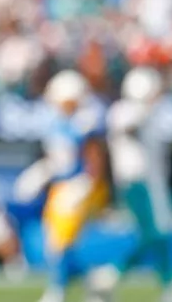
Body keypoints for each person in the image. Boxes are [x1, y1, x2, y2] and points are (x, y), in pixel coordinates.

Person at [91, 68, 172, 302]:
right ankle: (111, 274)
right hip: (137, 183)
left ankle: (168, 289)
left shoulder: (154, 113)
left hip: (154, 183)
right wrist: (146, 106)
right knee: (154, 234)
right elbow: (128, 126)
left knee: (162, 235)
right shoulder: (124, 111)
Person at [13, 70, 110, 302]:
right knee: (56, 243)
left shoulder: (85, 121)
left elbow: (95, 157)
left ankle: (57, 290)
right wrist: (40, 174)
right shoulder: (55, 122)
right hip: (60, 187)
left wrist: (87, 182)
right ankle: (95, 285)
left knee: (60, 241)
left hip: (80, 186)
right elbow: (57, 159)